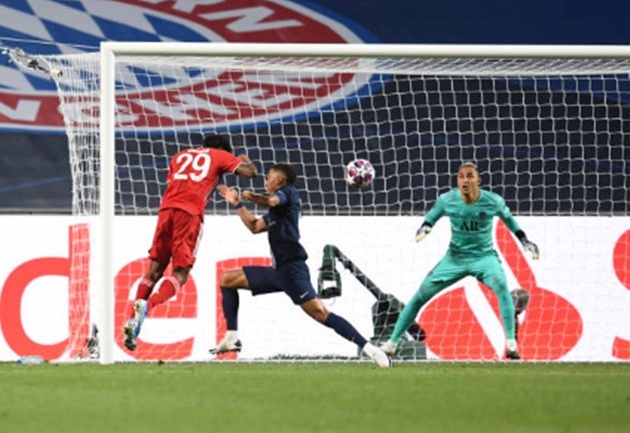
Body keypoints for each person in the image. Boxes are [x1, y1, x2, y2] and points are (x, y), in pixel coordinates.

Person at [212, 163, 391, 368]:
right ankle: (232, 337)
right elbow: (254, 226)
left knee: (321, 314)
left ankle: (370, 349)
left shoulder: (289, 193)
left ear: (280, 181)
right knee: (227, 279)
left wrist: (250, 196)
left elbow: (271, 200)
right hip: (278, 272)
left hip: (293, 271)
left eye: (269, 177)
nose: (266, 180)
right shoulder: (277, 213)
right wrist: (237, 204)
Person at [380, 161, 540, 360]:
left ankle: (511, 343)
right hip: (454, 258)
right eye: (461, 176)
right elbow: (431, 217)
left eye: (470, 176)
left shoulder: (493, 201)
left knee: (501, 285)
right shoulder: (447, 200)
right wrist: (425, 228)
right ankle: (392, 343)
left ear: (478, 180)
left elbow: (510, 221)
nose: (465, 180)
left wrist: (524, 240)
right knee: (421, 295)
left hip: (484, 257)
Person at [123, 134, 257, 351]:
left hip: (166, 210)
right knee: (180, 273)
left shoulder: (180, 156)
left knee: (153, 271)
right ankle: (148, 306)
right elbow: (251, 173)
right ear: (223, 150)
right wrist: (244, 160)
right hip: (189, 214)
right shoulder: (220, 155)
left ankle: (132, 319)